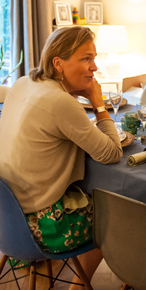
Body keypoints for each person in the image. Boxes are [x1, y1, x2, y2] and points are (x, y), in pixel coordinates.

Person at [0, 26, 123, 289]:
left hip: (6, 218)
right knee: (115, 216)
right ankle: (78, 285)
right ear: (58, 63)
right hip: (39, 227)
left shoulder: (24, 83)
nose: (95, 67)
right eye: (86, 58)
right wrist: (97, 102)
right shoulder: (60, 102)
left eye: (94, 58)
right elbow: (112, 153)